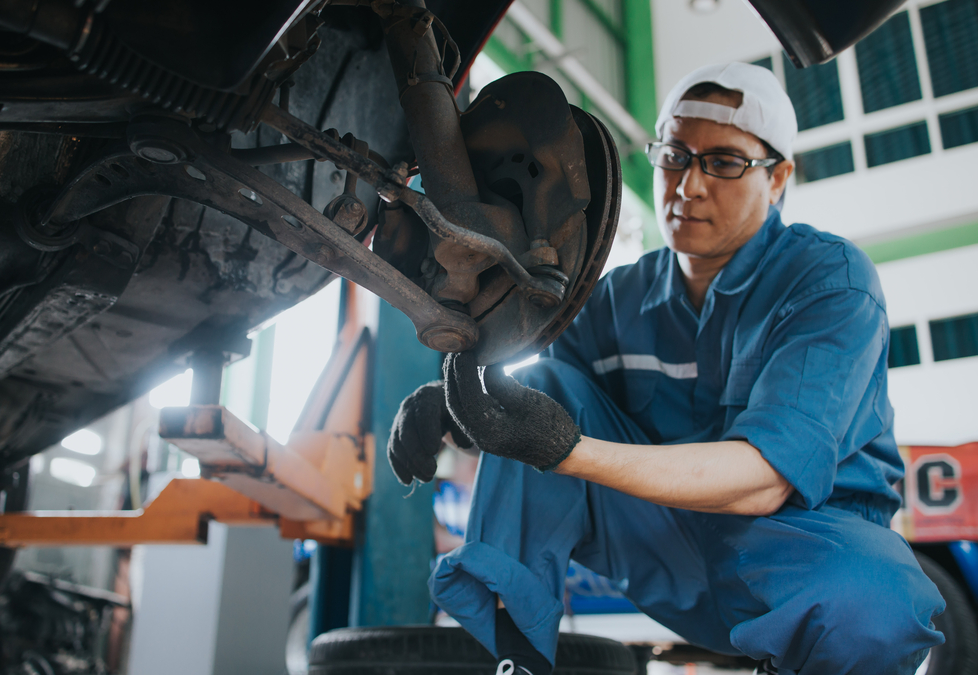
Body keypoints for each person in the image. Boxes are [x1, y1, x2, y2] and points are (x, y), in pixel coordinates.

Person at [388, 62, 945, 675]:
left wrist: (566, 450)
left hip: (797, 554)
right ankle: (518, 659)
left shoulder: (828, 283)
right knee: (543, 380)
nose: (689, 185)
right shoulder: (616, 298)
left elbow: (763, 480)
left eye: (725, 162)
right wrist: (453, 408)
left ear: (779, 177)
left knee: (876, 601)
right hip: (664, 545)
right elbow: (538, 428)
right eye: (674, 155)